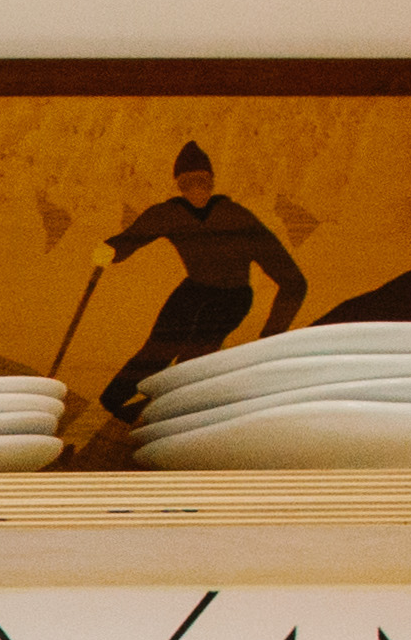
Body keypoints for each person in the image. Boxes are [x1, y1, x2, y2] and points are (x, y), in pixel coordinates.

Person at [97, 140, 312, 426]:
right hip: (194, 289)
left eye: (201, 181)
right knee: (159, 346)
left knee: (197, 351)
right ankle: (110, 404)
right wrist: (111, 250)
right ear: (179, 186)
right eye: (187, 183)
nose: (195, 190)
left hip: (232, 295)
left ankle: (167, 409)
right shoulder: (170, 213)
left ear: (211, 183)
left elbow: (293, 281)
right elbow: (135, 236)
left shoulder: (236, 217)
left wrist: (271, 333)